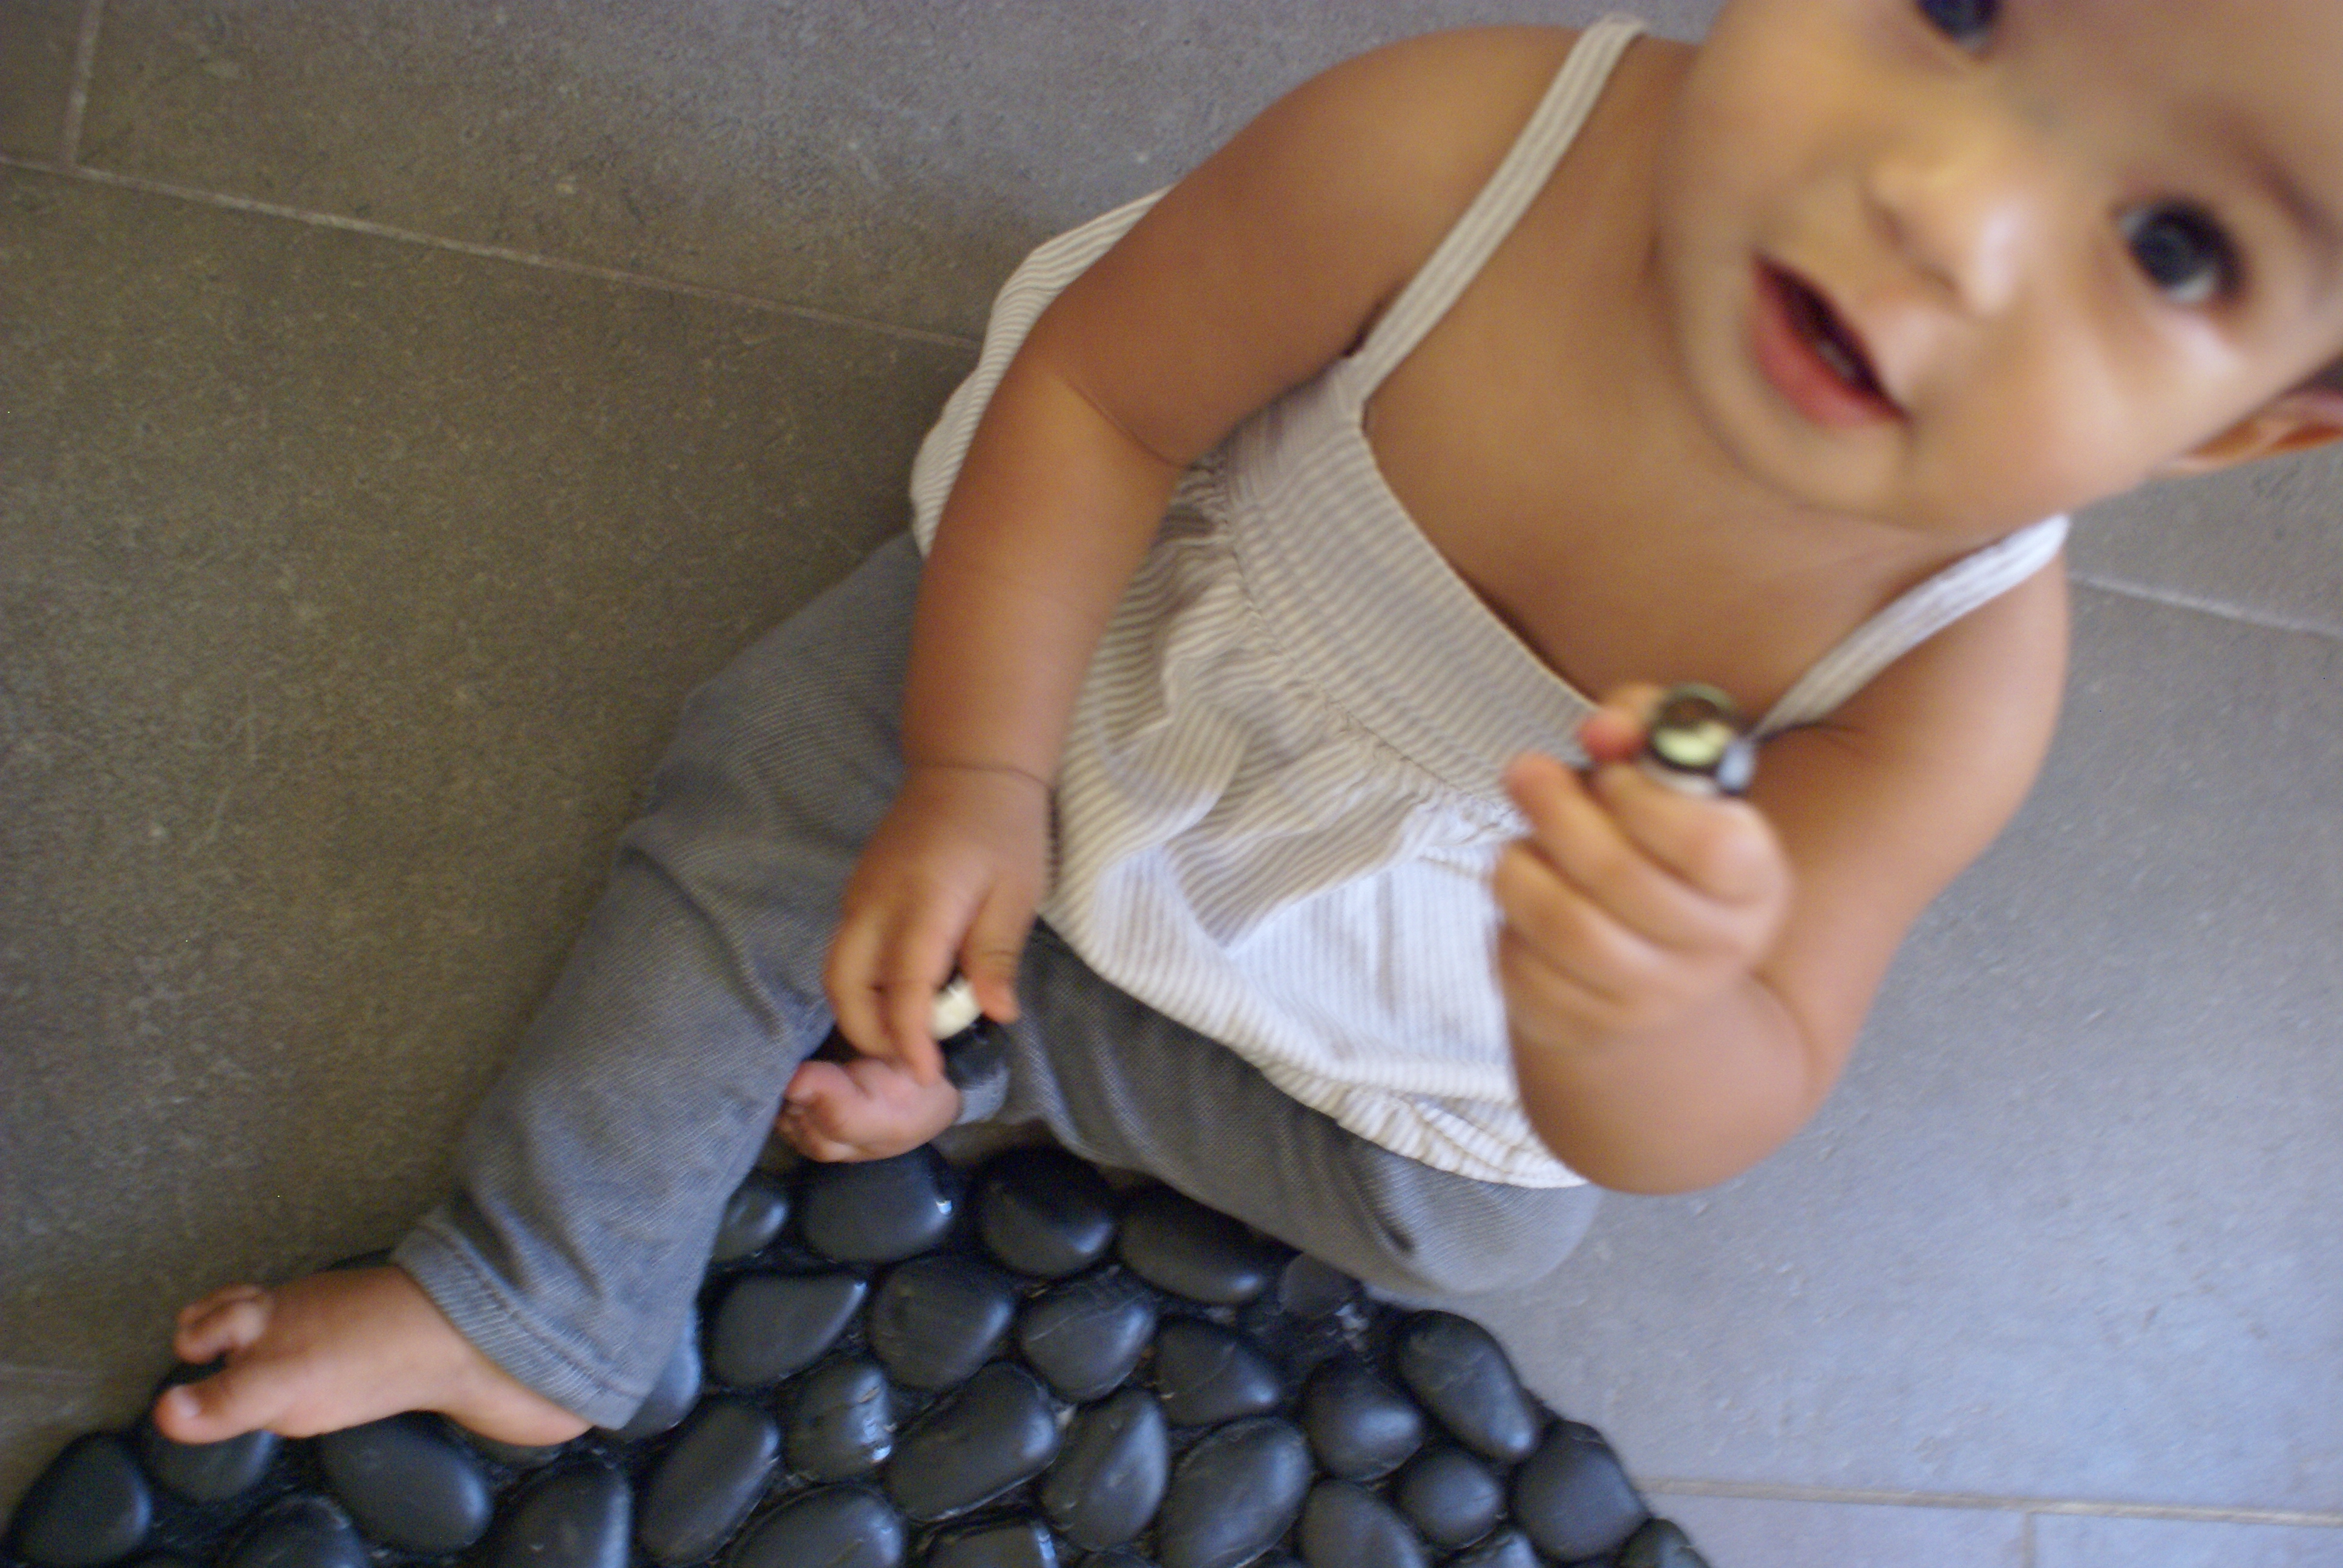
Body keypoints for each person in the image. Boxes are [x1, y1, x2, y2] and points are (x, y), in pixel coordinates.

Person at [149, 0, 2343, 1445]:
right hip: (1116, 643)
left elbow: (1731, 1086)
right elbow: (1100, 404)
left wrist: (1650, 1007)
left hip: (1430, 950)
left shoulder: (1954, 673)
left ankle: (1002, 1050)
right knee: (780, 768)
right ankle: (535, 1294)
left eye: (2170, 243)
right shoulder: (1470, 142)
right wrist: (977, 772)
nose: (1947, 212)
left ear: (2256, 424)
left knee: (1487, 1227)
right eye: (1959, 7)